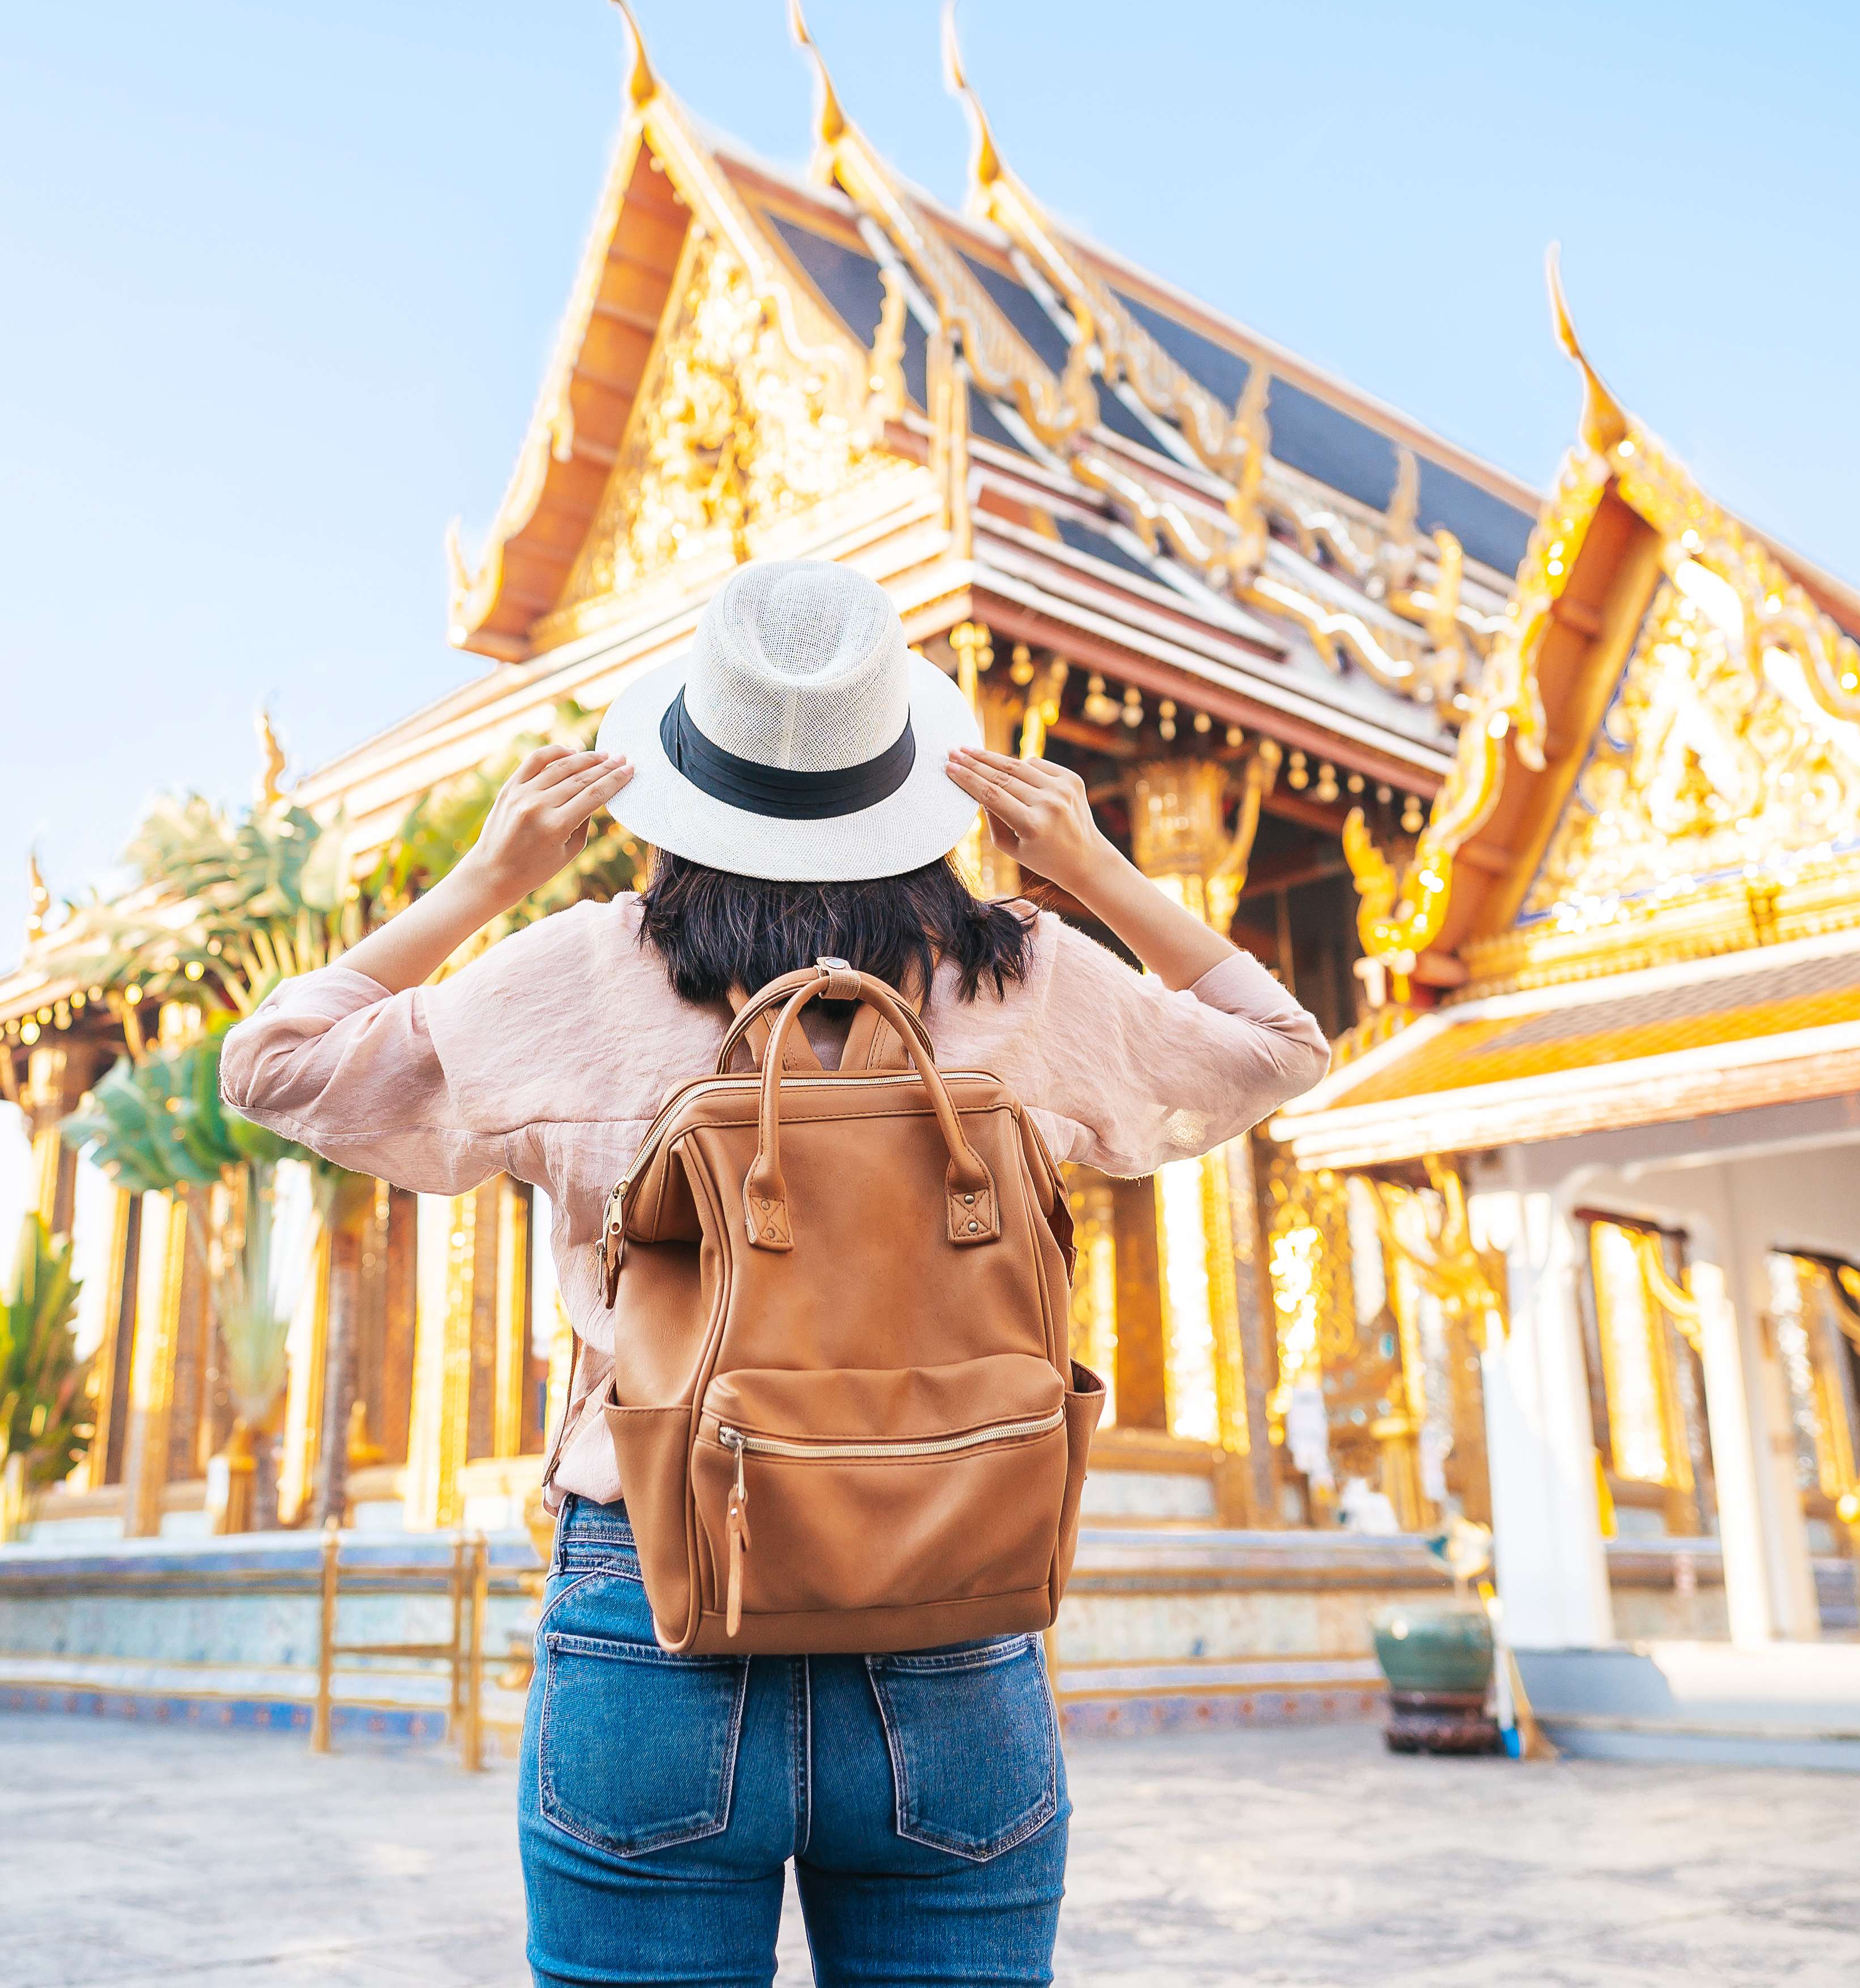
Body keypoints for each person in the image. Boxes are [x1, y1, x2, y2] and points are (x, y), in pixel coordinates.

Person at [224, 558, 1328, 1988]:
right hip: (954, 1608)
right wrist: (1097, 869)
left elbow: (274, 1063)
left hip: (656, 1602)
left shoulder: (581, 972)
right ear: (907, 777)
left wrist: (490, 877)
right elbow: (1276, 1045)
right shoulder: (1023, 975)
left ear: (689, 776)